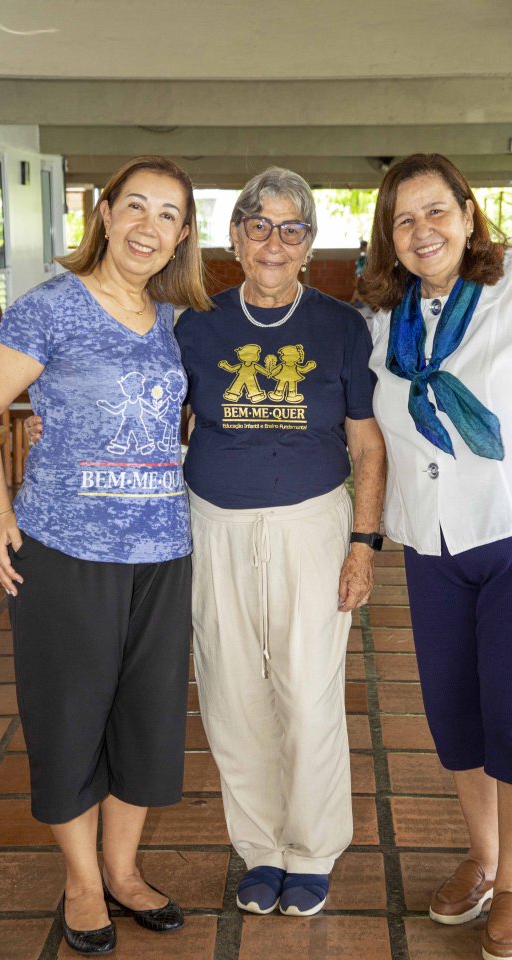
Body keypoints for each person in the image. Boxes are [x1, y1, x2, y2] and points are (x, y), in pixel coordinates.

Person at [360, 153, 512, 960]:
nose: (421, 230)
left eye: (436, 211)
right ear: (388, 239)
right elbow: (365, 430)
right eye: (403, 220)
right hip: (432, 539)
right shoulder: (382, 320)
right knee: (455, 710)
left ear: (469, 215)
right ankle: (486, 851)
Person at [0, 156, 210, 955]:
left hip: (162, 549)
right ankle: (80, 881)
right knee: (71, 718)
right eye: (135, 206)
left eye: (168, 214)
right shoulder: (50, 310)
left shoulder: (175, 320)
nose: (150, 226)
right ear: (104, 214)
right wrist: (0, 513)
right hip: (67, 549)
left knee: (144, 720)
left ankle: (123, 869)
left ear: (181, 236)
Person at [177, 167, 385, 917]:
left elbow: (366, 446)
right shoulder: (196, 324)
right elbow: (166, 428)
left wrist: (364, 542)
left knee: (307, 691)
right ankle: (261, 850)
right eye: (259, 225)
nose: (274, 241)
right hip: (216, 523)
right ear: (234, 237)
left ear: (309, 244)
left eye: (292, 228)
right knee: (232, 694)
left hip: (312, 524)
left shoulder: (339, 325)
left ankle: (313, 849)